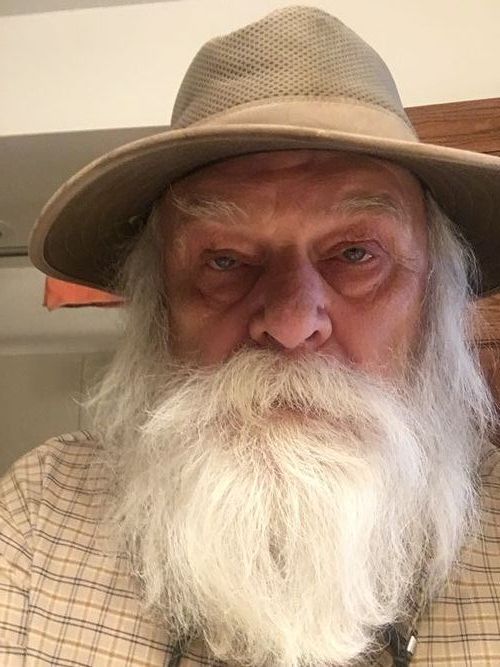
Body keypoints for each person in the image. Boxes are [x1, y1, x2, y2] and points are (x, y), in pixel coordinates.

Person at [1, 6, 500, 667]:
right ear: (159, 311)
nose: (291, 324)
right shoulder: (41, 516)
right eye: (225, 260)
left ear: (433, 301)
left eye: (356, 255)